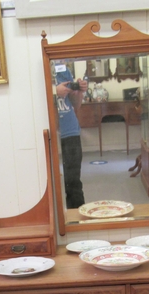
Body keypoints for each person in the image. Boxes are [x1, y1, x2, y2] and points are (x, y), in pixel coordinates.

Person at [54, 64, 88, 209]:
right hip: (53, 133)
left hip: (71, 132)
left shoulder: (63, 70)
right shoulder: (42, 70)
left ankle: (77, 218)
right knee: (55, 180)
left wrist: (79, 92)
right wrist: (55, 92)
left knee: (73, 181)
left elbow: (76, 105)